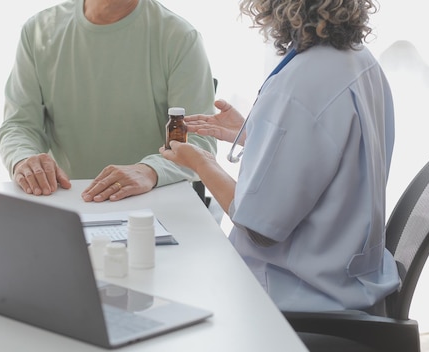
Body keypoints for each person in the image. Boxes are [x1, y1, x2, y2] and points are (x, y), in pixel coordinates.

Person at [160, 0, 400, 313]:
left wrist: (201, 162)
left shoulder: (298, 86)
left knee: (170, 282)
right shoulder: (359, 58)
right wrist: (255, 133)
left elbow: (259, 229)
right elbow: (333, 147)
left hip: (297, 292)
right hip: (349, 271)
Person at [0, 0, 217, 202]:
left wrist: (148, 170)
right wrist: (23, 159)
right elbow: (20, 125)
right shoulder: (38, 30)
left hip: (152, 202)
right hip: (68, 199)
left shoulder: (180, 37)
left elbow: (199, 143)